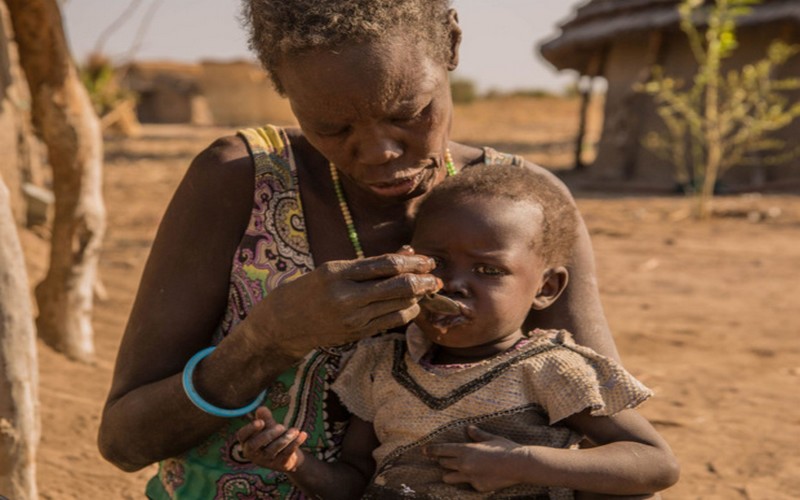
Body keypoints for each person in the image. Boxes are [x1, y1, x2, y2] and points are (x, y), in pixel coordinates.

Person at [98, 1, 623, 498]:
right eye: (332, 126)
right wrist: (266, 341)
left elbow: (619, 447)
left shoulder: (527, 209)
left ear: (451, 45)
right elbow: (125, 442)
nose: (379, 151)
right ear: (282, 87)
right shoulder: (240, 181)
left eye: (408, 112)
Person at [235, 165, 680, 499]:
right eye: (438, 262)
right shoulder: (381, 364)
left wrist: (523, 463)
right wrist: (294, 462)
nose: (454, 283)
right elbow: (353, 481)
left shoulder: (551, 370)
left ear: (546, 288)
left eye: (488, 269)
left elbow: (654, 463)